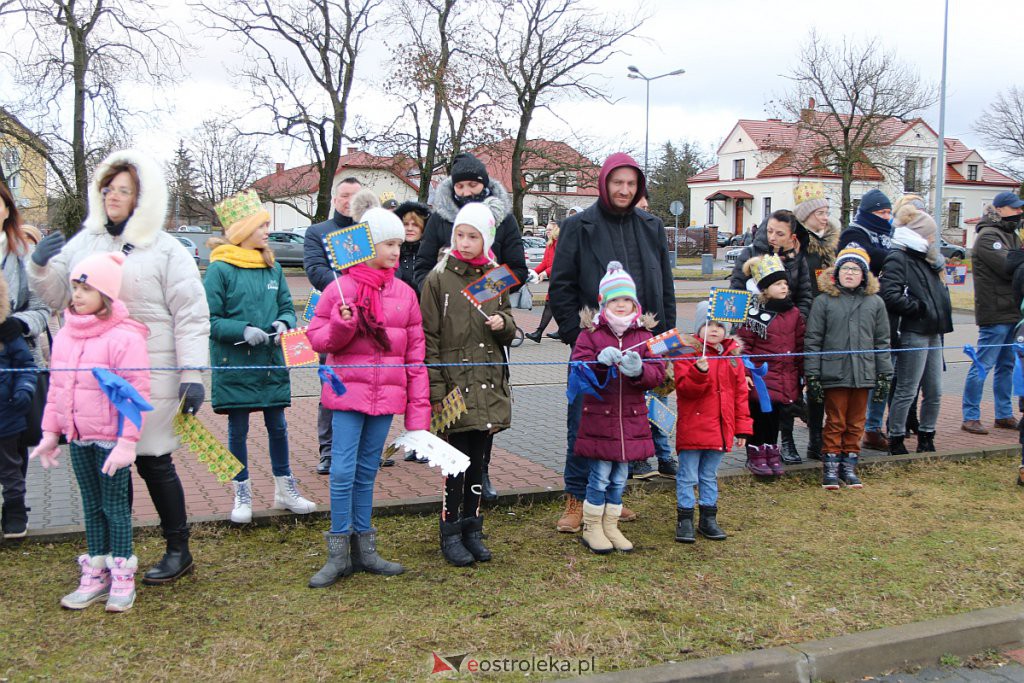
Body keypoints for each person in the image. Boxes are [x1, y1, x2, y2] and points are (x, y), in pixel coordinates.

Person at [29, 149, 208, 585]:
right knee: (111, 465)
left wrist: (192, 373)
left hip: (152, 368)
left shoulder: (166, 249)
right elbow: (58, 296)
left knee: (153, 460)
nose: (113, 196)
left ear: (141, 198)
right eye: (108, 188)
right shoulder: (85, 242)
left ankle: (177, 548)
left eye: (124, 190)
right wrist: (39, 265)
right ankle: (116, 550)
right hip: (96, 374)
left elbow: (190, 313)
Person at [548, 152, 676, 533]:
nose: (624, 190)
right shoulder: (578, 226)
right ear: (604, 183)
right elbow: (561, 287)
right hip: (595, 347)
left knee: (629, 421)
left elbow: (664, 287)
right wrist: (579, 337)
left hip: (641, 345)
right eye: (617, 182)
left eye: (631, 184)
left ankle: (611, 499)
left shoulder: (651, 226)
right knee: (584, 422)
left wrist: (662, 343)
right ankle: (577, 498)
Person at [306, 208, 430, 588]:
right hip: (347, 397)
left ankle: (365, 548)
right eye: (389, 243)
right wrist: (342, 324)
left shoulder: (405, 294)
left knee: (366, 472)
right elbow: (318, 340)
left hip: (386, 399)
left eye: (399, 243)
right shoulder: (338, 289)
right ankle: (337, 551)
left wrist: (418, 416)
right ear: (367, 246)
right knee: (342, 471)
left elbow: (415, 356)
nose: (397, 250)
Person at [30, 251, 150, 612]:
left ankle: (122, 573)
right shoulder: (65, 334)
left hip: (111, 440)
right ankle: (96, 570)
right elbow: (57, 390)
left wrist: (128, 442)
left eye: (86, 288)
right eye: (75, 287)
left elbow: (136, 392)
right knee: (90, 504)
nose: (77, 295)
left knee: (115, 506)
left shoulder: (125, 337)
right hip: (79, 437)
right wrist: (52, 433)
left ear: (107, 294)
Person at [413, 153, 526, 504]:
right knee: (457, 414)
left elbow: (517, 266)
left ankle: (483, 472)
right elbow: (421, 267)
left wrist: (487, 290)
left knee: (484, 408)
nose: (466, 190)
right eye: (460, 185)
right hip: (448, 316)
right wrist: (443, 290)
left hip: (486, 315)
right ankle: (456, 489)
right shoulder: (438, 219)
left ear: (484, 183)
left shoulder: (503, 218)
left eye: (472, 184)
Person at [204, 190, 315, 524]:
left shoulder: (273, 267)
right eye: (261, 225)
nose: (267, 230)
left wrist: (285, 322)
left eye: (267, 225)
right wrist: (241, 330)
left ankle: (285, 488)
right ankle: (241, 491)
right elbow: (209, 319)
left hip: (269, 362)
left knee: (278, 426)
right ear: (242, 230)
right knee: (237, 430)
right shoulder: (220, 269)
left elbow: (285, 307)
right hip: (235, 364)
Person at [421, 203, 516, 566]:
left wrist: (503, 324)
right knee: (455, 464)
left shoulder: (494, 276)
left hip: (487, 384)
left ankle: (473, 528)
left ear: (486, 239)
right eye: (460, 234)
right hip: (454, 387)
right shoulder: (439, 279)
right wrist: (437, 390)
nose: (465, 242)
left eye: (473, 236)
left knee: (480, 461)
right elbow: (428, 337)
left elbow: (508, 322)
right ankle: (450, 531)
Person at [571, 262, 665, 554]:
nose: (621, 305)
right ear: (603, 303)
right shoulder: (590, 333)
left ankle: (611, 525)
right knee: (599, 476)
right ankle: (592, 526)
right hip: (600, 419)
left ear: (635, 303)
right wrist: (600, 362)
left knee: (620, 477)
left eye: (626, 299)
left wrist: (639, 371)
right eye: (614, 300)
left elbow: (659, 373)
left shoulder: (645, 337)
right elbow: (578, 368)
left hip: (632, 420)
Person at [804, 247, 892, 490]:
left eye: (855, 269)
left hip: (863, 372)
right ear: (836, 273)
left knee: (856, 422)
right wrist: (812, 374)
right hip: (834, 372)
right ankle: (830, 465)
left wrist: (884, 372)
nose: (850, 274)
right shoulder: (823, 302)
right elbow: (813, 340)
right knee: (835, 421)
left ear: (864, 275)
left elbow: (882, 341)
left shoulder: (875, 303)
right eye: (845, 269)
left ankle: (849, 464)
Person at [673, 301, 752, 543]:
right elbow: (685, 390)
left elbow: (740, 396)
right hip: (693, 429)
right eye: (708, 325)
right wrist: (699, 372)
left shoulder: (733, 360)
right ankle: (684, 519)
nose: (714, 330)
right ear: (699, 328)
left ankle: (708, 517)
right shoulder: (686, 353)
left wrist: (742, 428)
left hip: (720, 430)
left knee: (709, 474)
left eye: (720, 325)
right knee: (687, 475)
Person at [879, 202, 953, 455]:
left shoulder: (929, 259)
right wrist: (918, 308)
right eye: (930, 233)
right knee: (907, 388)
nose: (934, 238)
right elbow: (889, 294)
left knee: (935, 390)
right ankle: (897, 437)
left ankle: (927, 434)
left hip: (935, 330)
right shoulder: (899, 257)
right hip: (913, 330)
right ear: (919, 233)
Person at [0, 182, 51, 537]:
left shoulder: (22, 253)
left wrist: (18, 325)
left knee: (13, 441)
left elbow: (44, 308)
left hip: (16, 355)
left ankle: (16, 508)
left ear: (7, 207)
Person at [304, 176, 361, 476]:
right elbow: (315, 271)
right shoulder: (318, 232)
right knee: (332, 387)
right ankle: (328, 452)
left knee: (365, 385)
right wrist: (349, 287)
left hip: (365, 321)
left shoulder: (369, 231)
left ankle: (363, 451)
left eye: (355, 195)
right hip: (332, 319)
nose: (349, 201)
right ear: (335, 198)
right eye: (344, 195)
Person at [961, 191, 1024, 435]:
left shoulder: (1012, 235)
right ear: (998, 209)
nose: (1019, 212)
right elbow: (1009, 266)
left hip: (1012, 310)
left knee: (1007, 364)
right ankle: (970, 416)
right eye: (1015, 208)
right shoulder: (988, 236)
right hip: (995, 311)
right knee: (983, 363)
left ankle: (1004, 413)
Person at [737, 255, 805, 475]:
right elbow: (743, 345)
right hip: (761, 378)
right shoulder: (755, 314)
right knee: (759, 416)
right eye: (778, 284)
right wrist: (747, 371)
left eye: (785, 283)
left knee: (776, 416)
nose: (784, 287)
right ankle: (756, 453)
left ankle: (771, 451)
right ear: (765, 289)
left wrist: (801, 371)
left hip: (785, 376)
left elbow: (799, 343)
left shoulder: (794, 313)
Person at [838, 189, 894, 450]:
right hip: (856, 309)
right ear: (870, 212)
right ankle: (854, 428)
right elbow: (867, 257)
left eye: (889, 212)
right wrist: (898, 254)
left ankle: (872, 426)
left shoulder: (889, 235)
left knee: (882, 372)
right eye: (882, 212)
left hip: (881, 307)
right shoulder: (854, 233)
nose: (887, 217)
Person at [792, 182, 840, 461]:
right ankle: (805, 427)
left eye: (826, 212)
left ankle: (818, 439)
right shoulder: (799, 244)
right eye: (819, 212)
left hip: (828, 318)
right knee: (804, 379)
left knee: (820, 382)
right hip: (805, 318)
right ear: (806, 216)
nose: (825, 217)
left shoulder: (832, 243)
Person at [0, 274, 37, 539]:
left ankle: (15, 512)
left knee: (10, 468)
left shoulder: (8, 335)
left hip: (7, 416)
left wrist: (24, 389)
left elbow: (26, 366)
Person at [728, 210, 813, 318]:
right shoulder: (750, 254)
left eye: (780, 234)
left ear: (792, 237)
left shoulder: (798, 258)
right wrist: (742, 327)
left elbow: (804, 296)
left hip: (787, 327)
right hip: (752, 326)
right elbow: (736, 292)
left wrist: (796, 323)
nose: (772, 237)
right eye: (769, 231)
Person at [525, 222, 559, 342]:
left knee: (550, 304)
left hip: (560, 279)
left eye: (550, 229)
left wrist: (545, 273)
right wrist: (533, 272)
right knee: (554, 305)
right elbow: (545, 262)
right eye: (547, 229)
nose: (547, 231)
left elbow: (558, 263)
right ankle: (562, 330)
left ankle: (539, 333)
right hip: (555, 279)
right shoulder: (549, 244)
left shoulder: (558, 244)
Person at [395, 200, 429, 296]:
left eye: (415, 225)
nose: (409, 229)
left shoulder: (429, 255)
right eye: (406, 224)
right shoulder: (392, 253)